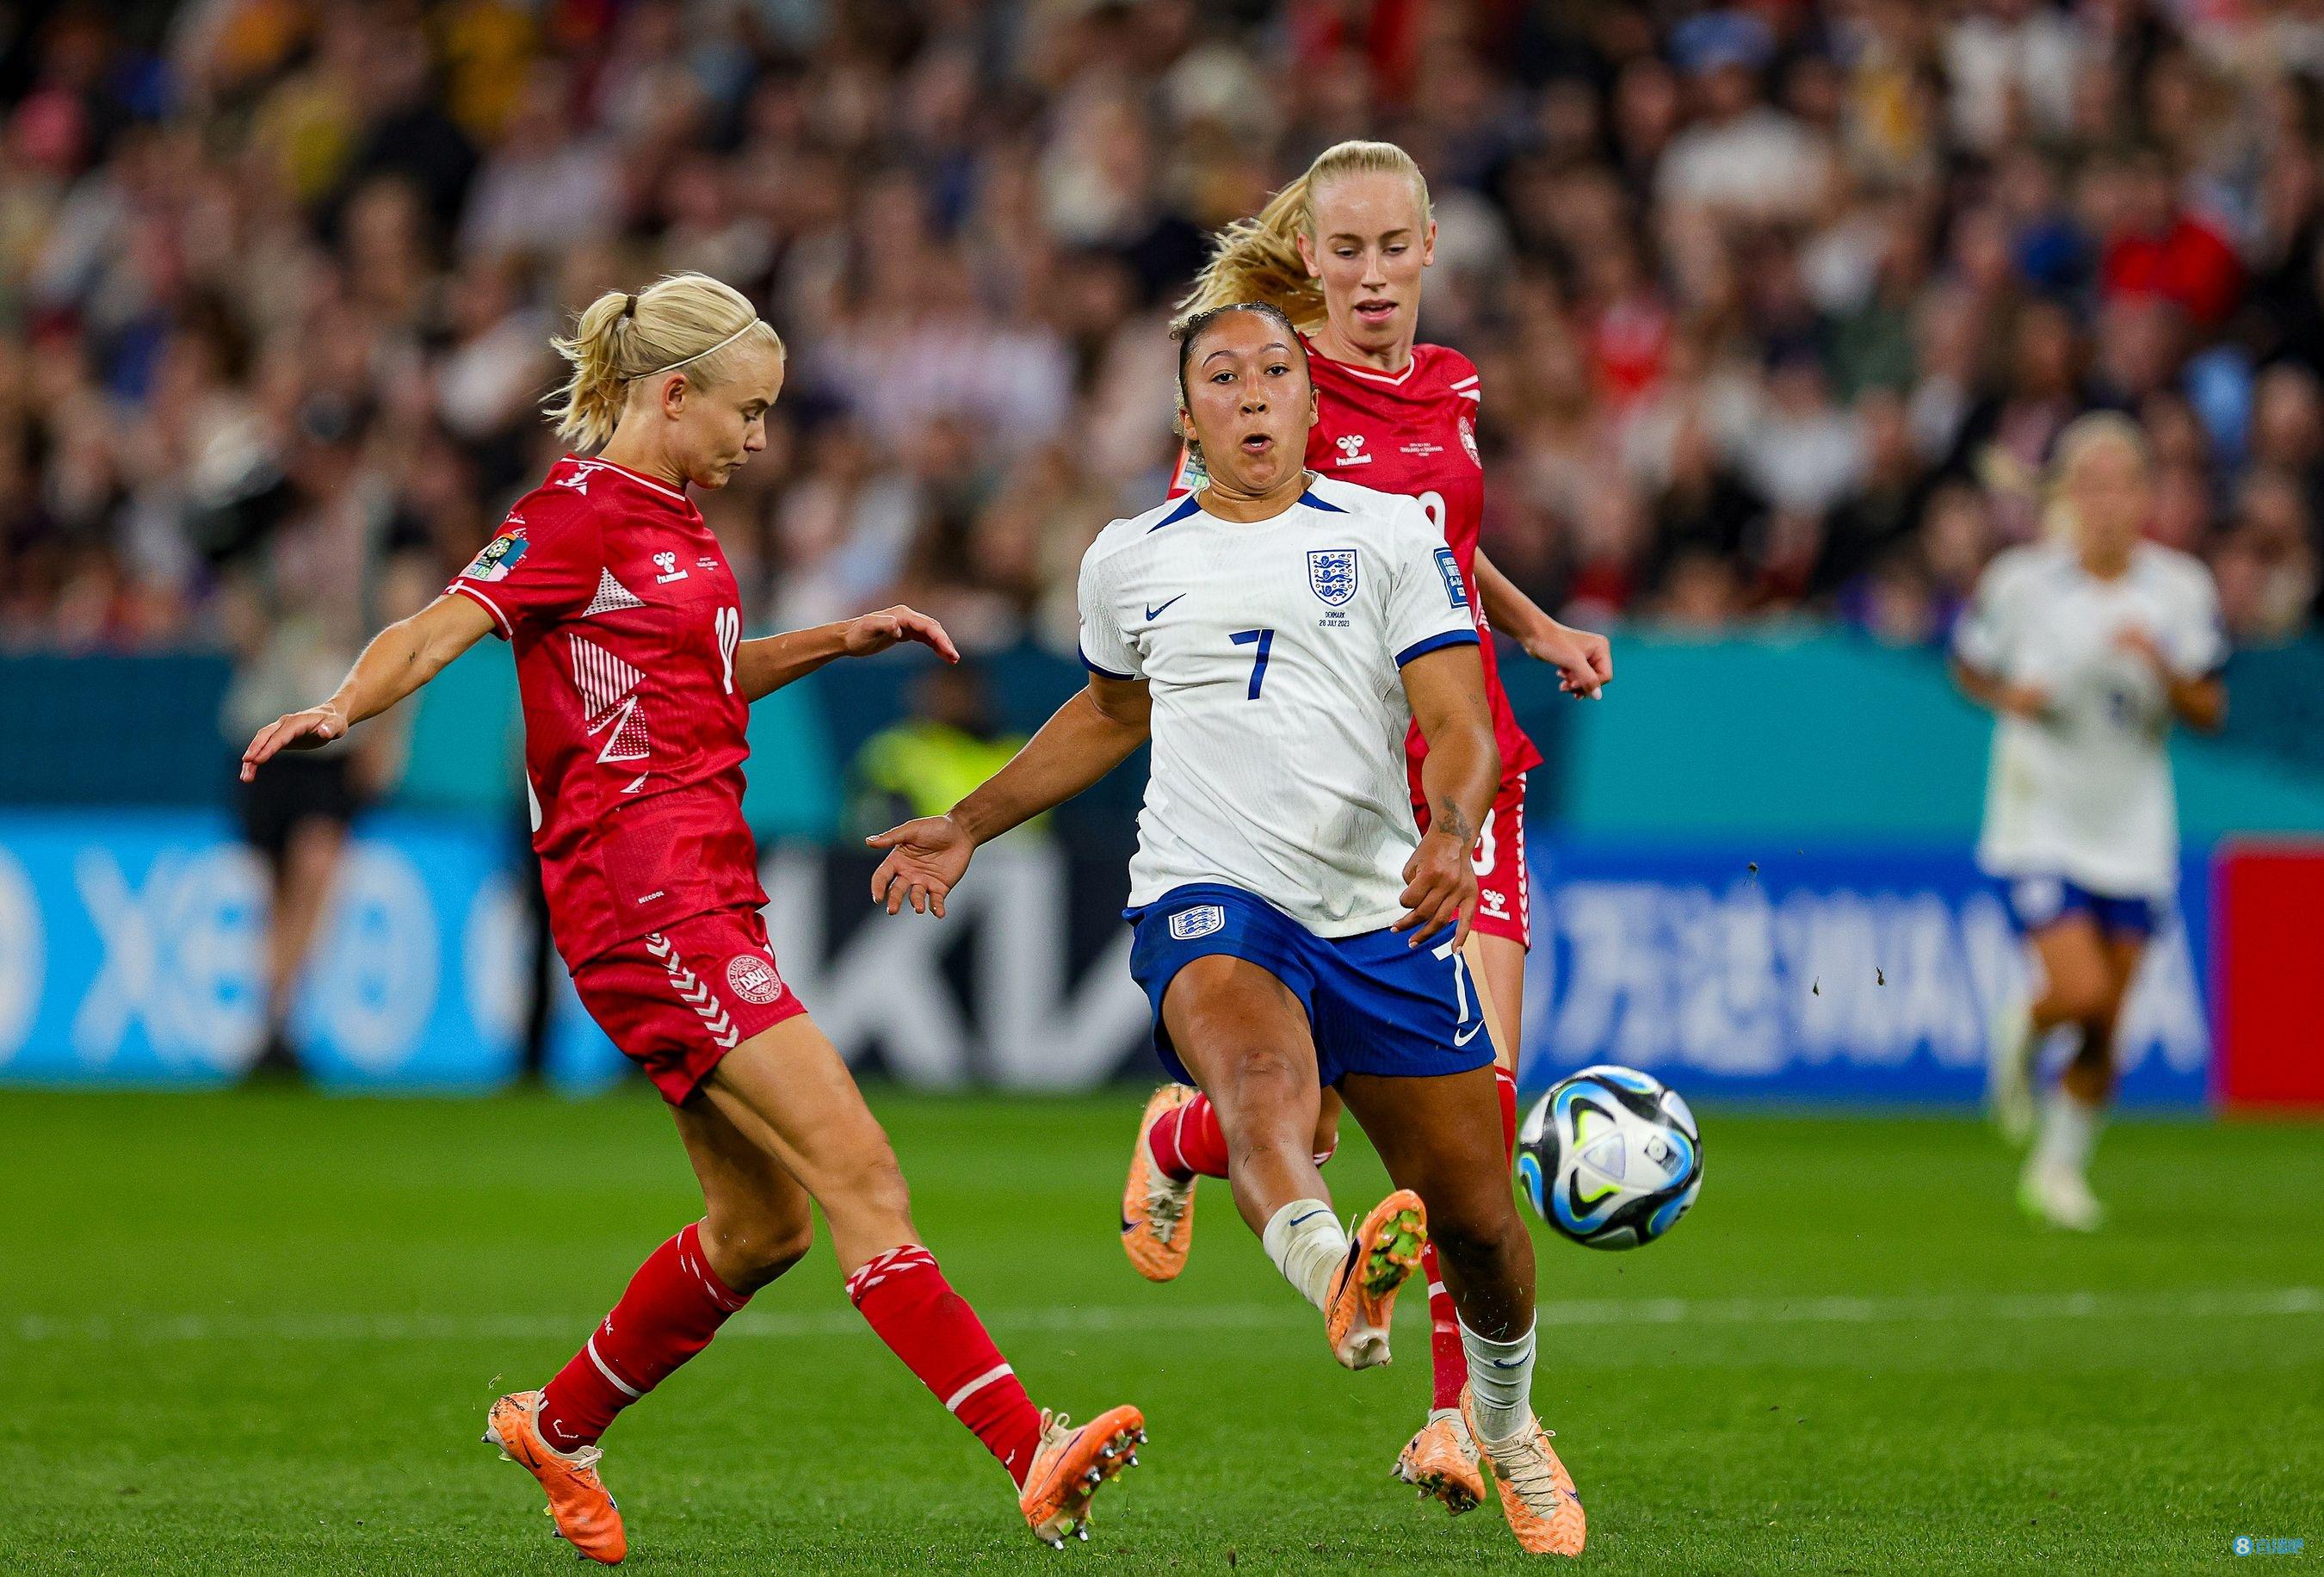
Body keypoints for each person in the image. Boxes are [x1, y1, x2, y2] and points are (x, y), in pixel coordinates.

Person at [239, 272, 1142, 1564]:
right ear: (672, 394)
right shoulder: (572, 513)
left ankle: (556, 1425)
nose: (759, 439)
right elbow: (438, 627)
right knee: (862, 1171)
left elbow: (705, 676)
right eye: (747, 411)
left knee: (764, 1227)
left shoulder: (680, 524)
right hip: (643, 895)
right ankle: (1030, 1449)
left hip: (701, 890)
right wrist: (345, 703)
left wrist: (835, 639)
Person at [868, 302, 1585, 1558]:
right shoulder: (1128, 557)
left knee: (1479, 1220)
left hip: (1377, 907)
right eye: (1222, 376)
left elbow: (1459, 721)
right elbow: (1110, 712)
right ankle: (1336, 1276)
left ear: (1311, 400)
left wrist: (1452, 828)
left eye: (1275, 372)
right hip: (1208, 891)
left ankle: (1510, 1423)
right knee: (1263, 1083)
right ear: (1186, 416)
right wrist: (971, 821)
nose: (1253, 394)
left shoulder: (1391, 534)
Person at [1143, 139, 1610, 1513]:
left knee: (1479, 1117)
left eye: (1392, 247)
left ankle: (1465, 1425)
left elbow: (1437, 544)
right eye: (1342, 250)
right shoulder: (1266, 385)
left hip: (1468, 775)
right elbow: (1202, 559)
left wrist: (1534, 627)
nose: (1369, 275)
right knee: (1327, 1117)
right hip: (1340, 797)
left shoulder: (1452, 384)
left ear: (1429, 247)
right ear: (1309, 255)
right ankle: (1184, 1142)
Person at [1953, 411, 2227, 1231]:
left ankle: (2058, 1171)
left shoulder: (2179, 589)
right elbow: (1970, 666)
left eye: (2122, 485)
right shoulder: (2022, 584)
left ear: (2146, 495)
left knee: (2108, 1022)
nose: (2107, 503)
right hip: (2039, 815)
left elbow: (2210, 708)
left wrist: (2162, 666)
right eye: (2091, 486)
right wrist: (2014, 698)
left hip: (2134, 824)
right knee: (2079, 991)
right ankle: (2025, 1024)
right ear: (2066, 497)